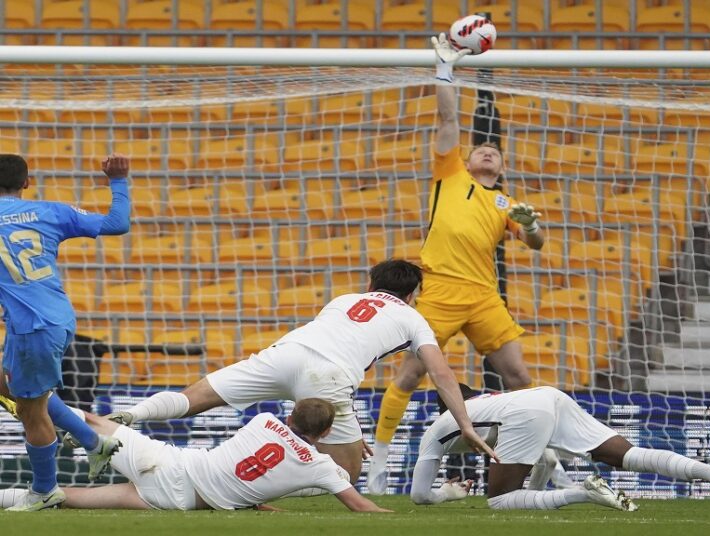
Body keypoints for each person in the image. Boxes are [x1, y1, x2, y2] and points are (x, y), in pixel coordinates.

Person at [107, 259, 498, 483]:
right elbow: (442, 375)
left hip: (286, 353)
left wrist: (350, 428)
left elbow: (338, 339)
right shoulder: (414, 319)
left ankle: (129, 416)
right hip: (327, 376)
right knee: (343, 475)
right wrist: (464, 423)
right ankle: (256, 488)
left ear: (370, 284)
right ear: (413, 295)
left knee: (193, 400)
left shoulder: (344, 299)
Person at [368, 33, 548, 494]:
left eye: (496, 151)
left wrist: (529, 225)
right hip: (441, 288)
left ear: (502, 166)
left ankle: (536, 457)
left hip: (484, 295)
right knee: (410, 373)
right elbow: (447, 118)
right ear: (467, 160)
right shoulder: (450, 176)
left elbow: (538, 243)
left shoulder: (506, 202)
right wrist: (444, 69)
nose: (488, 151)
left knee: (520, 378)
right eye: (480, 149)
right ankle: (380, 461)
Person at [0, 153, 131, 511]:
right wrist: (118, 180)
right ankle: (92, 441)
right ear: (26, 183)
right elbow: (118, 223)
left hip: (34, 327)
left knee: (32, 411)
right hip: (48, 318)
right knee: (8, 386)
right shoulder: (51, 211)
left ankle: (45, 491)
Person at [0, 398, 392, 512]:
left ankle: (27, 399)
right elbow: (360, 505)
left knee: (90, 420)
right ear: (326, 432)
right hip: (179, 500)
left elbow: (238, 468)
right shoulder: (321, 466)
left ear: (291, 414)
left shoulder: (265, 421)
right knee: (63, 499)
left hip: (172, 462)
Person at [410, 385, 710, 513]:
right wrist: (533, 499)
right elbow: (545, 458)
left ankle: (585, 493)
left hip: (526, 413)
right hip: (547, 395)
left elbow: (419, 496)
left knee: (499, 500)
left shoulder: (438, 428)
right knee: (627, 455)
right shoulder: (489, 401)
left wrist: (447, 494)